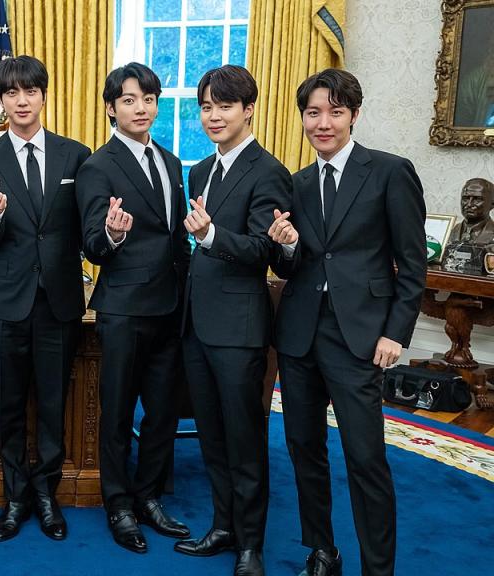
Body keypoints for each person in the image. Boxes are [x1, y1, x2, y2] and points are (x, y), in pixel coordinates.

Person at [268, 68, 426, 576]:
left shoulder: (389, 171)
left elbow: (412, 262)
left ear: (354, 115)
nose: (324, 122)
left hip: (359, 339)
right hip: (298, 337)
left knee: (365, 459)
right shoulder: (295, 184)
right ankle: (322, 552)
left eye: (335, 111)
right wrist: (286, 246)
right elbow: (288, 265)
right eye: (314, 113)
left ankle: (378, 569)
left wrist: (395, 332)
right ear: (303, 119)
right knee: (303, 449)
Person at [0, 55, 91, 543]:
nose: (21, 101)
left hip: (58, 299)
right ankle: (16, 496)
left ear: (43, 95)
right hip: (5, 301)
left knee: (54, 403)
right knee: (10, 404)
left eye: (30, 91)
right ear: (0, 100)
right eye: (11, 93)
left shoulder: (75, 156)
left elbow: (85, 228)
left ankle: (47, 494)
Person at [173, 64, 292, 576]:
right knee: (213, 436)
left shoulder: (269, 172)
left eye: (224, 105)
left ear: (249, 109)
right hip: (197, 325)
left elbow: (264, 249)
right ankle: (223, 526)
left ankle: (250, 545)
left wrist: (211, 236)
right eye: (205, 106)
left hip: (240, 330)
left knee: (245, 441)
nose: (213, 115)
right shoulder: (200, 170)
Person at [76, 62, 191, 555]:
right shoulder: (97, 166)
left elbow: (177, 236)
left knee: (163, 412)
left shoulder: (170, 162)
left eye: (147, 99)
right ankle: (119, 503)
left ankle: (149, 496)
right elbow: (92, 245)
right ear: (111, 109)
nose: (139, 108)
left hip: (172, 306)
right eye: (128, 100)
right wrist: (113, 234)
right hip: (123, 308)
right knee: (119, 412)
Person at [447, 178, 494, 245]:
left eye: (477, 199)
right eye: (465, 198)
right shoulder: (449, 231)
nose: (469, 204)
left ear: (492, 204)